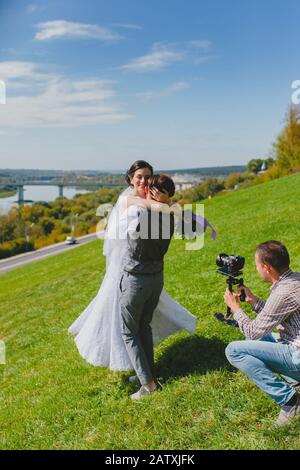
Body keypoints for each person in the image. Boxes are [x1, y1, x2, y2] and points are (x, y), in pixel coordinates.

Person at [68, 160, 196, 372]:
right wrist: (173, 209)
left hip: (146, 268)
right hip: (128, 268)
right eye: (139, 177)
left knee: (139, 323)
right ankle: (136, 367)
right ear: (130, 179)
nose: (144, 181)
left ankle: (143, 369)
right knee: (126, 322)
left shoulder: (151, 199)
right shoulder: (128, 199)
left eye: (147, 177)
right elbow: (153, 208)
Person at [224, 240, 300, 426]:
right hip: (294, 341)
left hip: (297, 355)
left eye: (256, 264)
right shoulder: (295, 279)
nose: (256, 268)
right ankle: (296, 383)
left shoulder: (282, 293)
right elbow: (278, 316)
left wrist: (235, 309)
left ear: (266, 268)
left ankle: (290, 402)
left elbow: (254, 330)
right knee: (253, 337)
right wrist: (253, 301)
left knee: (234, 350)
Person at [119, 174, 176, 400]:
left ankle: (148, 385)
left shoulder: (143, 213)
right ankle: (148, 372)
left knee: (129, 332)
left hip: (136, 279)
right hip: (156, 278)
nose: (150, 191)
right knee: (144, 326)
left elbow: (129, 235)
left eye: (155, 189)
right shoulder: (171, 215)